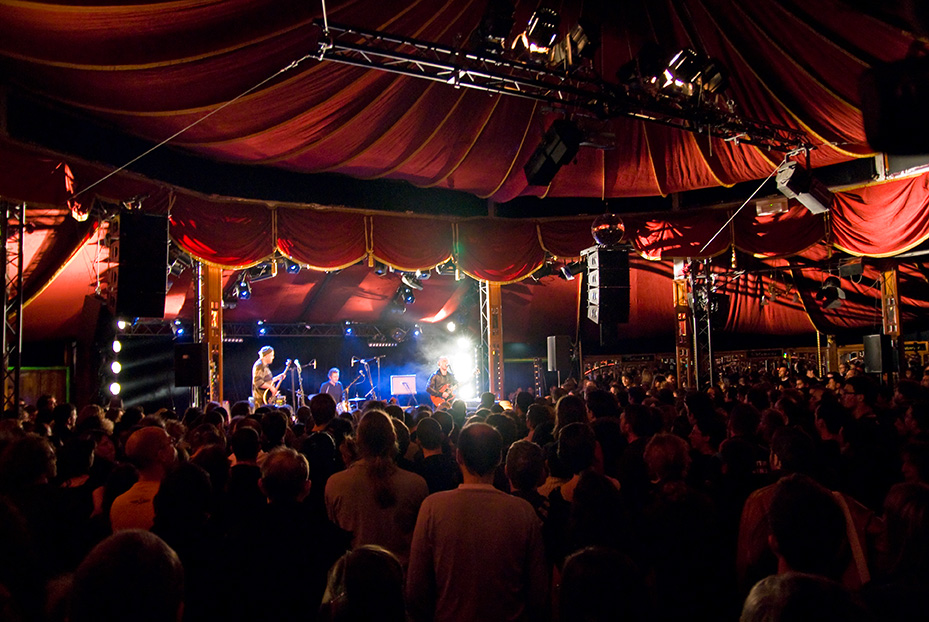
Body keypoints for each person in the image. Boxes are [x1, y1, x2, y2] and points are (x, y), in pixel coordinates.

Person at [406, 422, 549, 622]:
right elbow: (538, 591)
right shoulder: (522, 511)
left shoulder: (432, 508)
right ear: (500, 459)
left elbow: (416, 590)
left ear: (459, 457)